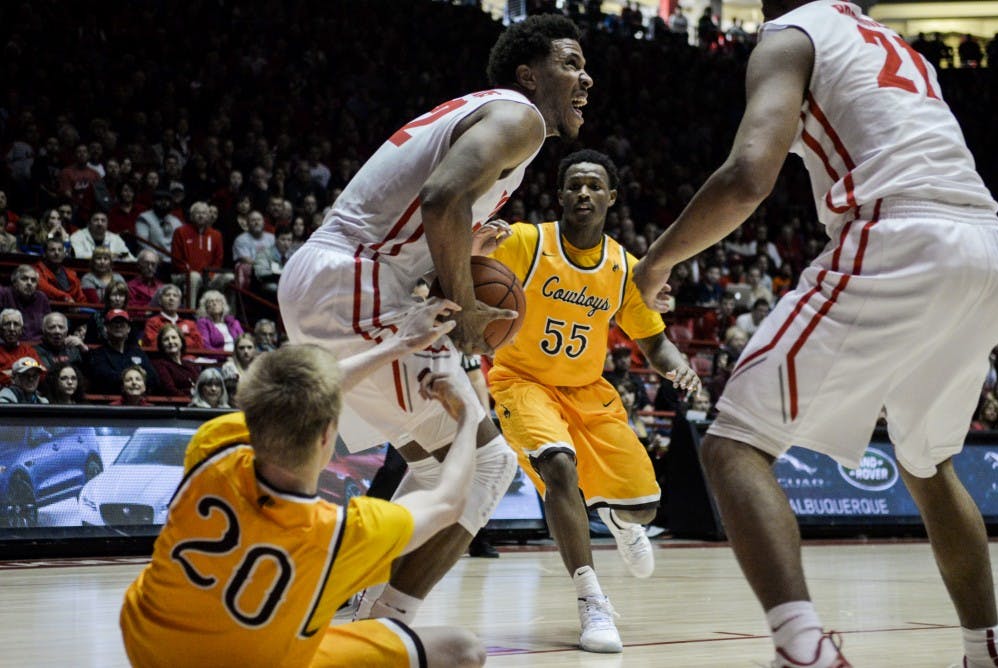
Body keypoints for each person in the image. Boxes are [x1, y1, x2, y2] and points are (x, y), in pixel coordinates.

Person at [632, 2, 998, 666]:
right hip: (985, 245)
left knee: (732, 445)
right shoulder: (901, 48)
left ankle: (803, 650)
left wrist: (654, 262)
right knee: (929, 464)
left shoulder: (791, 33)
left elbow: (748, 176)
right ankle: (987, 646)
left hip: (899, 233)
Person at [279, 14, 590, 624]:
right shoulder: (519, 116)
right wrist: (468, 310)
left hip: (330, 278)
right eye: (571, 64)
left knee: (430, 465)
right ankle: (386, 629)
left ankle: (354, 602)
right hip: (356, 281)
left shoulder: (485, 112)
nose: (586, 79)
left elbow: (427, 206)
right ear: (530, 75)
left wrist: (465, 248)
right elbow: (441, 197)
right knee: (489, 463)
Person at [120, 299, 487, 668]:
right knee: (462, 650)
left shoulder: (213, 445)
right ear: (328, 435)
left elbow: (297, 397)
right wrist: (469, 417)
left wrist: (399, 345)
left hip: (149, 648)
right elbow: (448, 501)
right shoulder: (338, 533)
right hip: (259, 660)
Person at [487, 149, 700, 653]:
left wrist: (679, 365)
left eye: (593, 186)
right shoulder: (524, 242)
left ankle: (618, 517)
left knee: (645, 507)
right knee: (558, 467)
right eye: (574, 186)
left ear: (611, 197)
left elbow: (652, 342)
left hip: (587, 392)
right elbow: (465, 271)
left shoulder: (625, 268)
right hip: (522, 381)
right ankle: (591, 600)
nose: (584, 193)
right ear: (560, 195)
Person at [85, 309, 160, 395]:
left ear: (128, 329)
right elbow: (103, 379)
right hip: (108, 403)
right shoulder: (97, 354)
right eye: (114, 322)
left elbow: (153, 378)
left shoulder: (138, 353)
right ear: (106, 328)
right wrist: (137, 379)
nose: (118, 326)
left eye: (122, 323)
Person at [144, 284, 203, 350]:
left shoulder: (190, 323)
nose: (171, 298)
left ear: (179, 302)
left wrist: (169, 341)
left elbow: (199, 344)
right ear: (160, 301)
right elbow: (154, 344)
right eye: (167, 295)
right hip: (164, 359)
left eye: (175, 296)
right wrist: (185, 341)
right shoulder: (153, 322)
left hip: (188, 359)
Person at [0, 265, 51, 341]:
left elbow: (49, 325)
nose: (29, 283)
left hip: (37, 347)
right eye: (24, 279)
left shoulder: (42, 298)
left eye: (33, 280)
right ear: (14, 282)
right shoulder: (3, 294)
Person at [151, 323, 201, 398]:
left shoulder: (190, 365)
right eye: (166, 339)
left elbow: (200, 387)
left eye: (174, 337)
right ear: (161, 344)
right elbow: (170, 390)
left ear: (181, 341)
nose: (170, 341)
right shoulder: (159, 364)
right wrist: (190, 394)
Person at [35, 236, 88, 304]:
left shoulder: (71, 274)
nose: (57, 253)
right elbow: (44, 287)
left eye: (60, 250)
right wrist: (65, 297)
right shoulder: (38, 270)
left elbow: (81, 298)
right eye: (52, 250)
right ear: (45, 254)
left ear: (64, 254)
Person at [69, 211, 136, 262]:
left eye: (103, 220)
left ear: (107, 224)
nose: (100, 223)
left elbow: (130, 258)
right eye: (96, 220)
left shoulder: (115, 238)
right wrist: (109, 255)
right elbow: (77, 255)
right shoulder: (77, 236)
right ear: (89, 223)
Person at [0, 309, 44, 385]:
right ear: (0, 329)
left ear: (21, 330)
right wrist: (25, 371)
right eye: (7, 324)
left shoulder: (28, 351)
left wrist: (8, 373)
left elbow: (42, 373)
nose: (12, 329)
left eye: (16, 324)